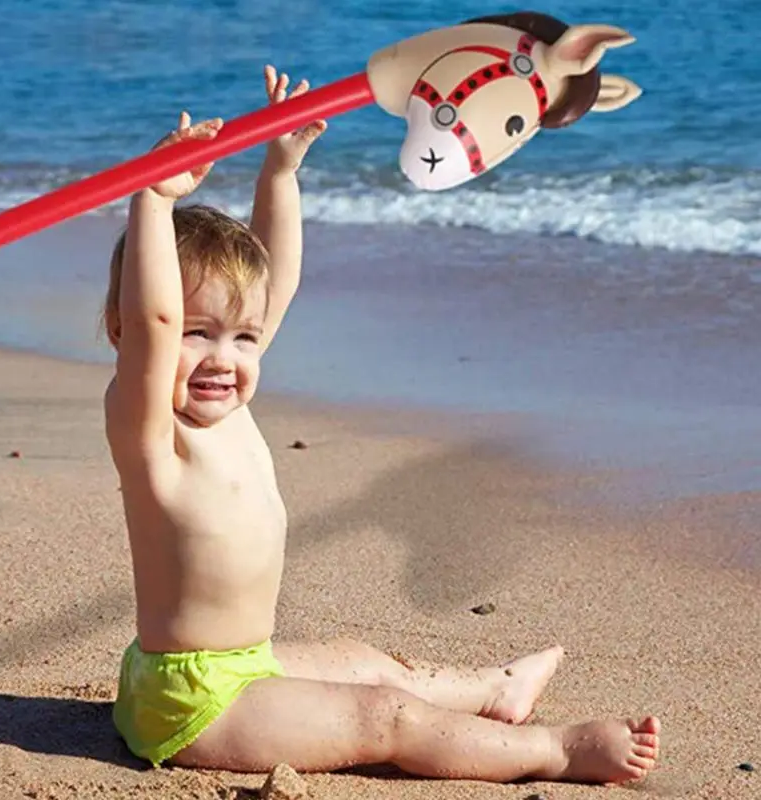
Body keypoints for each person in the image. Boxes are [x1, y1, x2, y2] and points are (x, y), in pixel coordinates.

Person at [101, 64, 661, 784]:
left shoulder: (227, 400)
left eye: (242, 339)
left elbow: (276, 282)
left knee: (364, 663)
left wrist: (281, 169)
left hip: (245, 663)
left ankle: (494, 688)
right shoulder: (154, 430)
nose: (224, 358)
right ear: (126, 334)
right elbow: (154, 319)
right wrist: (152, 198)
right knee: (384, 715)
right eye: (196, 333)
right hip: (194, 702)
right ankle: (557, 752)